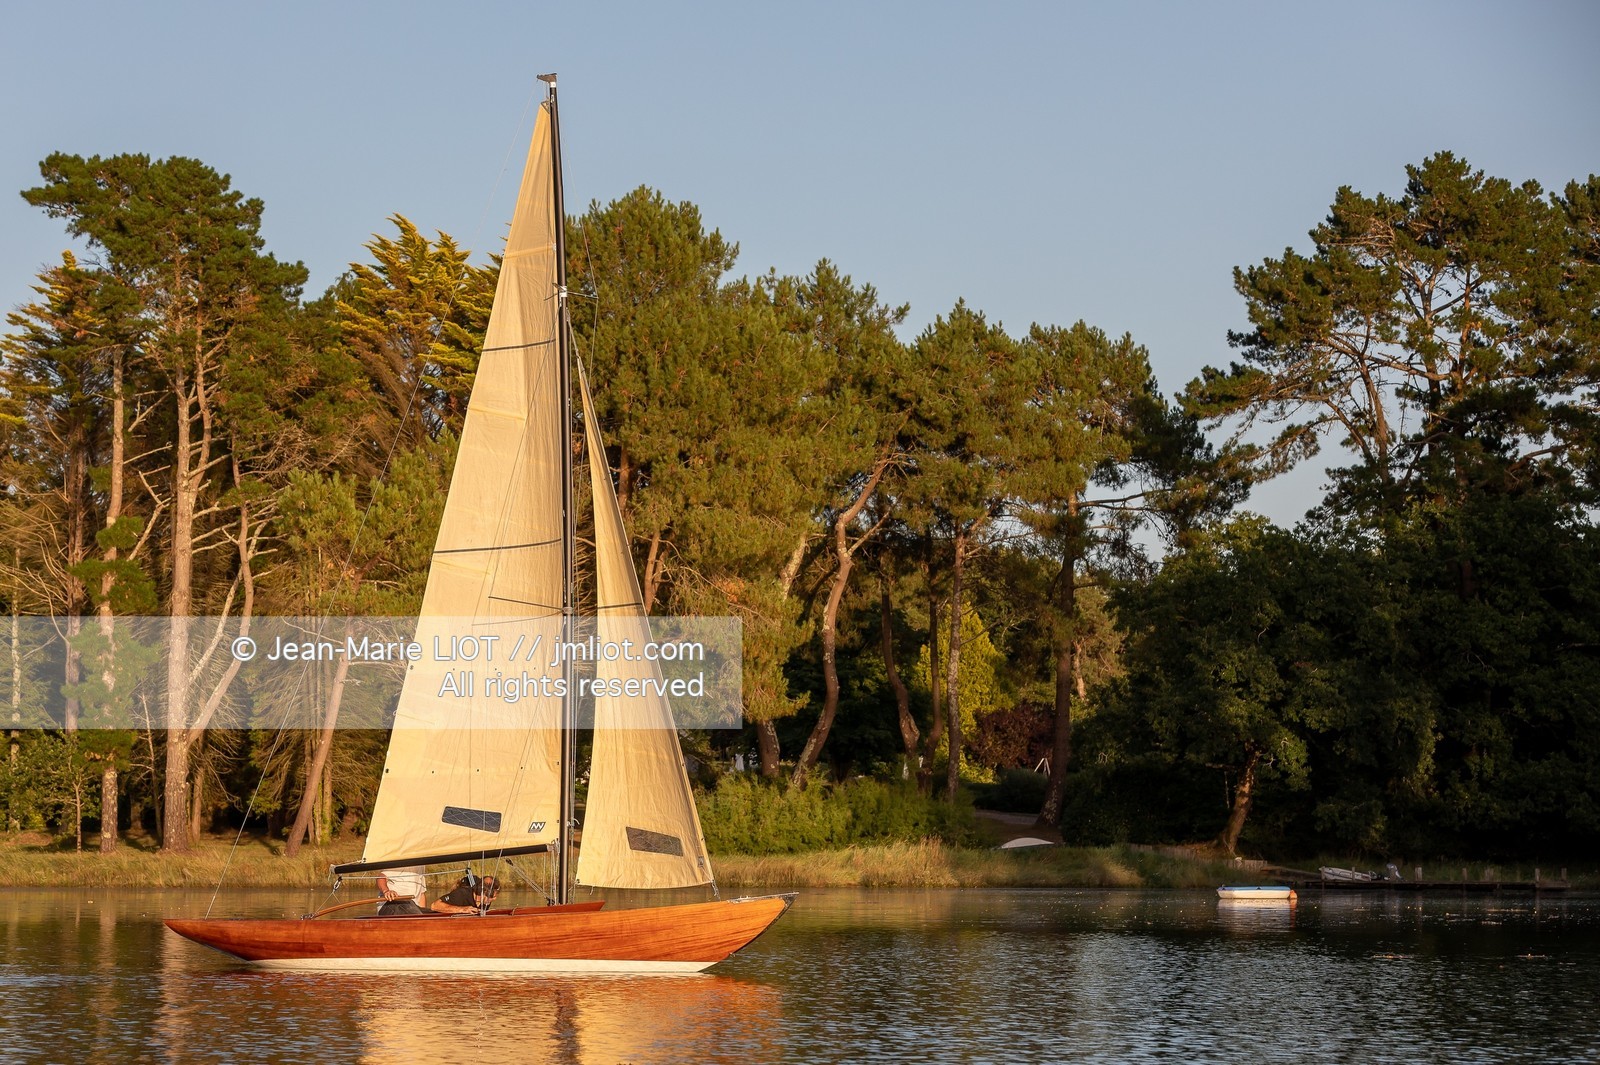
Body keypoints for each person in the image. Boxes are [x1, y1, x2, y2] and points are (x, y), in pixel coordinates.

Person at [429, 874, 501, 915]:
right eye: (492, 896)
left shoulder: (486, 901)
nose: (494, 899)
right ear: (482, 892)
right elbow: (434, 906)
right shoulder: (461, 894)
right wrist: (462, 909)